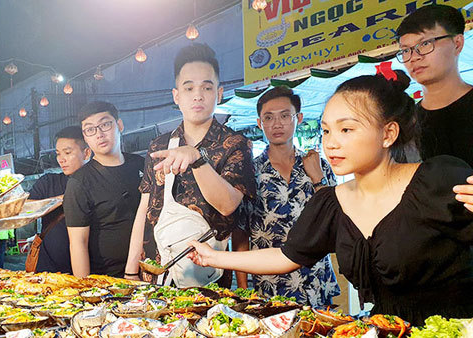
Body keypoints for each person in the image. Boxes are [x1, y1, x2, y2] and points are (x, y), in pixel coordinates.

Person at [188, 70, 473, 325]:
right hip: (386, 329)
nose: (331, 142)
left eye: (346, 129)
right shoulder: (332, 202)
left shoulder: (440, 180)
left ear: (388, 133)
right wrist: (214, 257)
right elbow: (287, 255)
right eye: (326, 130)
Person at [124, 43, 256, 287]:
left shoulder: (235, 144)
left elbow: (228, 206)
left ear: (218, 93)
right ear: (177, 96)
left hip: (210, 278)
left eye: (207, 87)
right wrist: (131, 270)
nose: (198, 95)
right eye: (189, 88)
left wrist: (197, 158)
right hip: (156, 274)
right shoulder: (159, 145)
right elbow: (144, 208)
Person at [244, 87, 339, 306]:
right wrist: (243, 289)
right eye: (269, 117)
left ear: (298, 118)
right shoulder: (249, 172)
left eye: (285, 116)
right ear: (260, 124)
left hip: (315, 279)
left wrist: (317, 179)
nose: (277, 124)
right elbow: (241, 233)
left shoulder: (319, 166)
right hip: (269, 283)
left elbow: (334, 220)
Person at [64, 101, 144, 278]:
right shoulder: (79, 182)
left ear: (119, 125)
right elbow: (78, 242)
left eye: (105, 124)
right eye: (90, 129)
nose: (99, 134)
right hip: (109, 278)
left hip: (151, 270)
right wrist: (85, 288)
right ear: (85, 137)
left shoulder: (142, 164)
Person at [396, 4, 473, 165]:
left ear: (457, 43)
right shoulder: (407, 125)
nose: (414, 57)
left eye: (425, 44)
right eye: (405, 50)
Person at [28, 126, 91, 273]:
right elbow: (27, 209)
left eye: (68, 153)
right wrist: (64, 198)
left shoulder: (96, 184)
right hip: (47, 270)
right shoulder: (48, 181)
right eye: (58, 154)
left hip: (90, 271)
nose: (61, 159)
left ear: (86, 153)